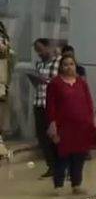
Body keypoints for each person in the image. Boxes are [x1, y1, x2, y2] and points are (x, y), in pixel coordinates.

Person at [45, 55, 96, 195]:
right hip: (63, 127)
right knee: (62, 157)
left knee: (79, 157)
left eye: (71, 64)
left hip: (81, 127)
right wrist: (52, 124)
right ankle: (58, 185)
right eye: (65, 64)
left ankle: (76, 184)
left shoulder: (81, 83)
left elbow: (89, 103)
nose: (69, 67)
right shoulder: (55, 84)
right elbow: (50, 106)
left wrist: (90, 121)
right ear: (61, 67)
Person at [31, 39, 61, 178]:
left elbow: (61, 82)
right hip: (39, 102)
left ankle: (61, 165)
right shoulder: (39, 64)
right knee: (42, 137)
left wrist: (47, 81)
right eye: (37, 51)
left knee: (53, 136)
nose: (39, 53)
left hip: (52, 105)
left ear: (48, 47)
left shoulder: (58, 62)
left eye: (40, 49)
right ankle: (51, 165)